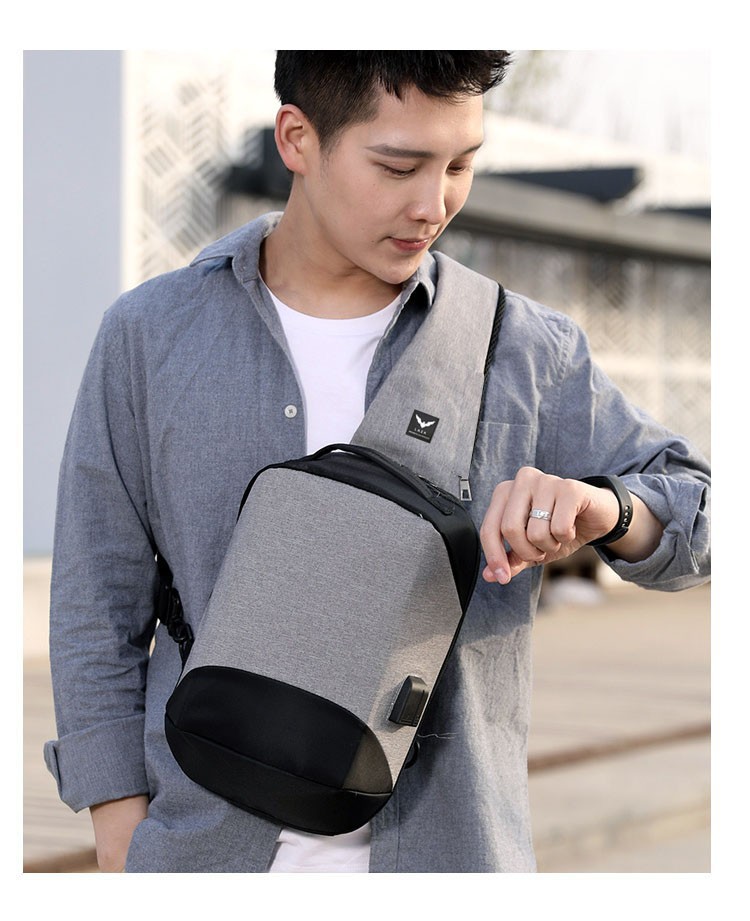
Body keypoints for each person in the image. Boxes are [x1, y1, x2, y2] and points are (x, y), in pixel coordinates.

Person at [44, 51, 711, 873]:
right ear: (297, 138)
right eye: (398, 166)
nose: (434, 205)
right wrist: (120, 836)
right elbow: (95, 601)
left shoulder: (521, 348)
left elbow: (701, 507)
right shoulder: (152, 336)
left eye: (460, 165)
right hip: (203, 855)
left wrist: (606, 508)